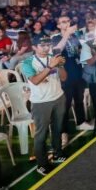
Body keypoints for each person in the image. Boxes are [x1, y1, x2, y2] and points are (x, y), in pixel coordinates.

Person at [22, 35, 68, 176]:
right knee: (41, 134)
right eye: (42, 45)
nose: (46, 48)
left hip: (58, 97)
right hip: (41, 102)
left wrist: (60, 66)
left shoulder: (53, 57)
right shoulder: (28, 63)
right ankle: (41, 164)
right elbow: (35, 81)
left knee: (57, 128)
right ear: (34, 47)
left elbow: (64, 78)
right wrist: (50, 66)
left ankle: (57, 153)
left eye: (48, 45)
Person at [52, 16, 91, 142]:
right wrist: (66, 34)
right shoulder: (56, 38)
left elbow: (80, 50)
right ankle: (63, 131)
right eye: (63, 21)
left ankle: (81, 122)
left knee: (78, 99)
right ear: (58, 26)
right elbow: (57, 50)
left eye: (68, 21)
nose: (67, 23)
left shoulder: (74, 37)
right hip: (65, 72)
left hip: (77, 70)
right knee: (65, 104)